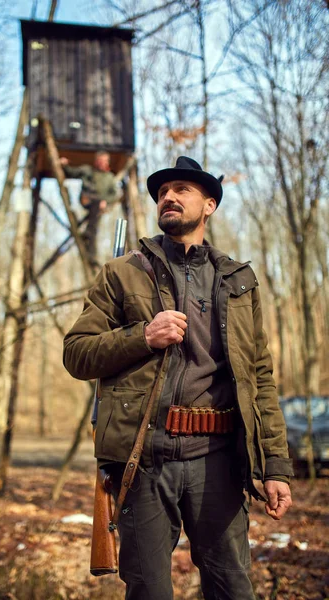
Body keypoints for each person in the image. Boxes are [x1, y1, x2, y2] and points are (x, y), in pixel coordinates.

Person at [63, 156, 293, 600]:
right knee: (149, 591)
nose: (168, 196)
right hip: (146, 459)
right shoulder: (123, 272)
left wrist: (275, 467)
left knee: (232, 589)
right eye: (162, 191)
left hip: (219, 463)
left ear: (209, 205)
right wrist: (143, 336)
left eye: (182, 189)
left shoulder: (238, 282)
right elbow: (77, 354)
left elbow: (259, 379)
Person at [60, 151, 119, 266]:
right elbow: (72, 172)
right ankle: (89, 243)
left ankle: (91, 255)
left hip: (98, 205)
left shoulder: (109, 177)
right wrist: (64, 165)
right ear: (96, 161)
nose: (102, 163)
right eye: (100, 160)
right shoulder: (87, 170)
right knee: (92, 227)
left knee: (93, 228)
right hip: (86, 199)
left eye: (105, 161)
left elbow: (114, 194)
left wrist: (105, 201)